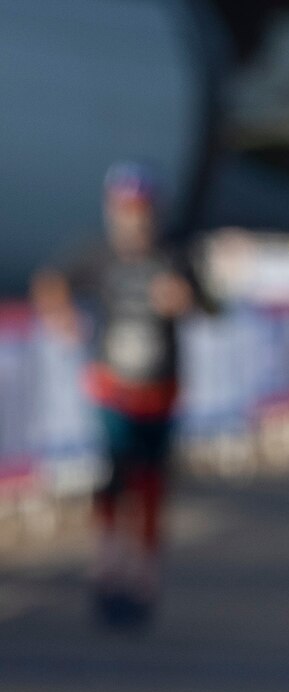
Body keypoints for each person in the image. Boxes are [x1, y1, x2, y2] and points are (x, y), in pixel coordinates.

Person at [31, 162, 213, 629]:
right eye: (126, 209)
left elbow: (214, 304)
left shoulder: (174, 256)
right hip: (113, 387)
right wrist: (63, 318)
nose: (135, 219)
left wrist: (186, 301)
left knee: (151, 480)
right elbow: (51, 282)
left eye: (142, 210)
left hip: (161, 389)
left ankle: (143, 571)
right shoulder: (98, 255)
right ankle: (109, 562)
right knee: (114, 471)